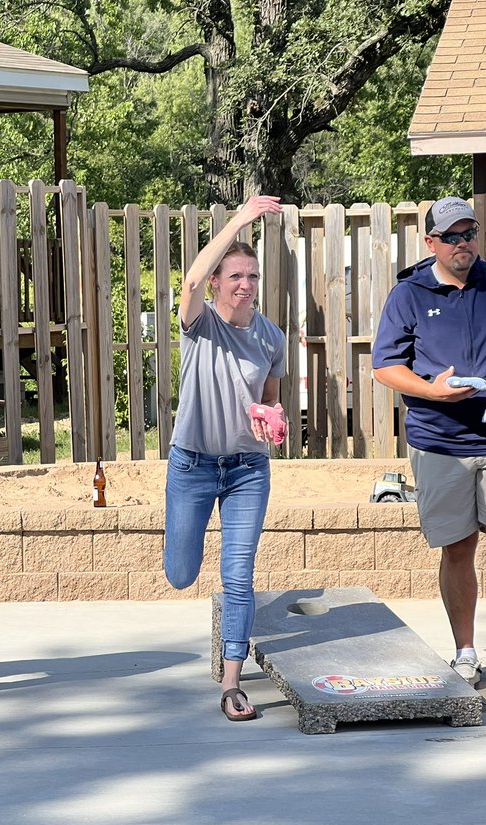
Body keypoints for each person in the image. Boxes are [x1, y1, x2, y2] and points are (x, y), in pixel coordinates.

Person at [371, 196, 486, 697]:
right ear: (430, 242)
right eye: (451, 236)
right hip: (439, 442)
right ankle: (466, 653)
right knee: (458, 547)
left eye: (469, 233)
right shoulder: (409, 293)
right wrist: (432, 390)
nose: (462, 244)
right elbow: (386, 365)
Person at [163, 195, 286, 722]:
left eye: (252, 276)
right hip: (191, 466)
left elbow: (273, 398)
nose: (244, 284)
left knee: (238, 572)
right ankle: (181, 548)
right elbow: (188, 284)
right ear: (218, 283)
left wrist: (272, 417)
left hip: (246, 470)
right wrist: (239, 219)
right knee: (181, 574)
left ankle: (233, 682)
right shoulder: (201, 324)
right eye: (234, 275)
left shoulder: (272, 336)